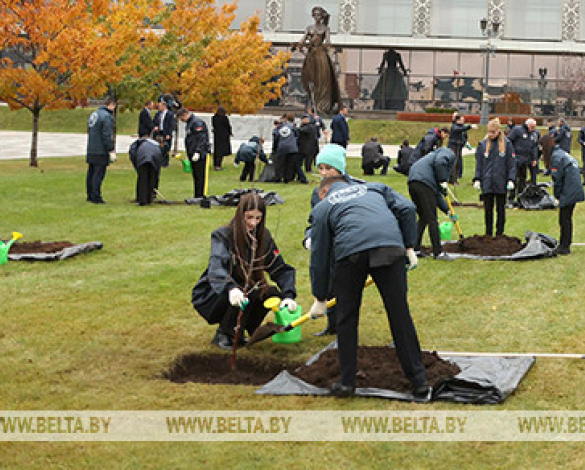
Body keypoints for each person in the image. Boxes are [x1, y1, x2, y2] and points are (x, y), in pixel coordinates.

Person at [306, 146, 428, 399]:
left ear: (324, 190)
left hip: (351, 255)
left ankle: (347, 382)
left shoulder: (322, 206)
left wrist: (320, 298)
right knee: (399, 315)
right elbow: (407, 209)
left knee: (347, 317)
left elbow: (319, 258)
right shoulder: (375, 187)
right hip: (389, 248)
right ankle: (419, 382)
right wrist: (408, 246)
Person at [192, 191, 298, 350]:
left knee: (270, 293)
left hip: (248, 287)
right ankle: (224, 333)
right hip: (215, 292)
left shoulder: (264, 237)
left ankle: (244, 329)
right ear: (240, 215)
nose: (253, 223)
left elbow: (280, 268)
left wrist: (289, 295)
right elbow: (217, 266)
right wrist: (231, 288)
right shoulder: (223, 236)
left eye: (258, 218)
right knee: (245, 292)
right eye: (249, 217)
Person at [408, 131, 457, 251]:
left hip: (413, 181)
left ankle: (416, 248)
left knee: (424, 217)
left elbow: (436, 194)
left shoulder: (433, 162)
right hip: (422, 183)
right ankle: (437, 251)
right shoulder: (448, 153)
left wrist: (447, 210)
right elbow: (440, 162)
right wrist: (443, 180)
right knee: (432, 218)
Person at [474, 118, 516, 237]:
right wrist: (477, 179)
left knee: (500, 210)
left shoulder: (507, 144)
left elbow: (511, 164)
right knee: (488, 210)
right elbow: (479, 164)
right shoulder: (483, 145)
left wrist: (511, 179)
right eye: (489, 132)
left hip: (501, 182)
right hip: (487, 182)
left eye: (493, 132)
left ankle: (499, 233)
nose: (491, 134)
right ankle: (488, 233)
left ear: (498, 131)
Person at [543, 137, 585, 255]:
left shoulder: (556, 157)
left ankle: (564, 246)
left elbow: (558, 180)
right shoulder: (561, 153)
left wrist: (557, 196)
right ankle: (565, 243)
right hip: (574, 187)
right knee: (567, 218)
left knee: (564, 218)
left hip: (569, 189)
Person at [298, 6, 341, 115]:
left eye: (319, 15)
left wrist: (326, 46)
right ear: (313, 16)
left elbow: (328, 41)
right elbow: (302, 41)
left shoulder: (325, 28)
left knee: (323, 80)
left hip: (321, 56)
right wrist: (302, 48)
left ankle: (323, 106)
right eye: (315, 14)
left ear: (322, 16)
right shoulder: (309, 28)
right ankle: (312, 105)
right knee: (311, 80)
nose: (317, 17)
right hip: (312, 56)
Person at [85, 97, 117, 204]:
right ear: (111, 104)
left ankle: (90, 195)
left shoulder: (94, 114)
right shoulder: (107, 116)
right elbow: (106, 134)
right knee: (98, 174)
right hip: (100, 150)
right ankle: (96, 197)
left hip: (91, 148)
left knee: (91, 173)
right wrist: (111, 149)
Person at [179, 108, 211, 199]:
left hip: (199, 154)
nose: (182, 121)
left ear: (185, 114)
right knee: (196, 175)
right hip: (192, 153)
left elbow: (201, 139)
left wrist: (198, 151)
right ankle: (197, 195)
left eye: (182, 118)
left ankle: (200, 195)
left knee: (200, 175)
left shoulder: (197, 123)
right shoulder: (190, 123)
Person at [129, 132, 166, 205]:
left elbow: (132, 154)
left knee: (142, 179)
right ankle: (149, 199)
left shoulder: (139, 143)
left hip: (143, 158)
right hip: (151, 158)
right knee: (151, 178)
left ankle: (142, 200)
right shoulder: (157, 147)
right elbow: (157, 169)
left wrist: (137, 166)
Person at [508, 118, 540, 195]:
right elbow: (509, 141)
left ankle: (520, 194)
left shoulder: (535, 133)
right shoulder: (517, 130)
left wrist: (535, 158)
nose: (532, 129)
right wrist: (512, 153)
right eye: (531, 127)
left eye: (534, 127)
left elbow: (534, 146)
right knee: (514, 178)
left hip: (526, 159)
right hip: (516, 158)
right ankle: (511, 196)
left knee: (523, 178)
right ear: (527, 125)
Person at [273, 113, 302, 184]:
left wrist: (274, 148)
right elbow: (297, 135)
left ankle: (278, 178)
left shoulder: (279, 128)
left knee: (280, 164)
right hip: (292, 148)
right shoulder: (292, 127)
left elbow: (276, 137)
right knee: (289, 164)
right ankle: (287, 179)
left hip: (282, 147)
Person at [447, 113, 471, 183]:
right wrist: (470, 126)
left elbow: (464, 134)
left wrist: (465, 142)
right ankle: (452, 179)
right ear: (457, 120)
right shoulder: (454, 127)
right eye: (462, 119)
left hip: (458, 146)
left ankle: (457, 175)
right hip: (453, 146)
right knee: (453, 162)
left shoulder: (461, 126)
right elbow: (459, 130)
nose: (463, 121)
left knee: (458, 162)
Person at [297, 113, 321, 177]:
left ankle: (308, 169)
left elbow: (302, 131)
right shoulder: (305, 126)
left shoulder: (309, 126)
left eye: (307, 119)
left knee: (308, 159)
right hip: (303, 145)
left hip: (309, 145)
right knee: (302, 159)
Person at [155, 97, 176, 166]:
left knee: (166, 147)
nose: (159, 108)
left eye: (160, 106)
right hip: (159, 132)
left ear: (164, 106)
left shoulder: (170, 114)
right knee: (158, 147)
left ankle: (165, 163)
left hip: (166, 133)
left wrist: (169, 134)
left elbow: (171, 124)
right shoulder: (158, 114)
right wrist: (156, 126)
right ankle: (158, 161)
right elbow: (155, 121)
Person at [212, 106, 233, 171]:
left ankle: (215, 164)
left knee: (216, 151)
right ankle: (218, 166)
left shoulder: (214, 118)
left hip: (216, 136)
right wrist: (230, 133)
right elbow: (228, 126)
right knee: (221, 152)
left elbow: (214, 126)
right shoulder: (224, 118)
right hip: (224, 136)